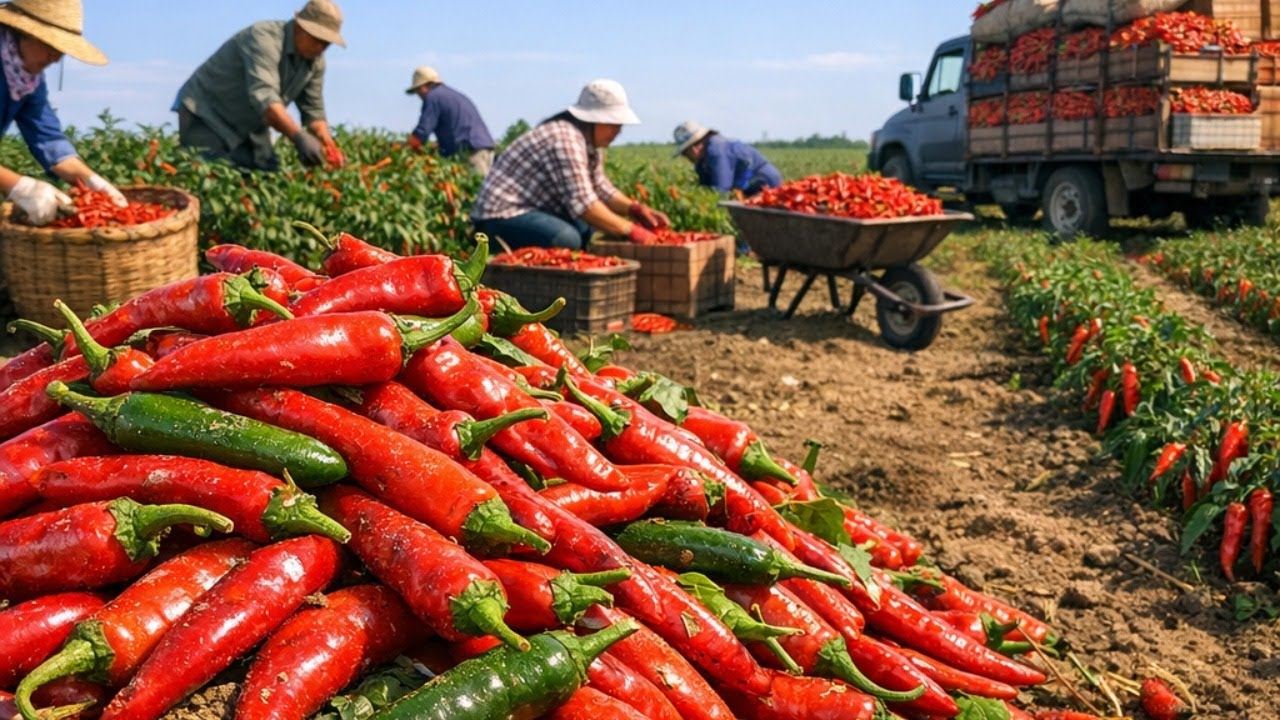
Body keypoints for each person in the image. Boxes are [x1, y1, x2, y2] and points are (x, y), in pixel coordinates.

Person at [472, 79, 669, 250]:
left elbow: (601, 187)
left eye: (619, 125)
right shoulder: (565, 138)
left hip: (531, 211)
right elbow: (583, 205)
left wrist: (635, 209)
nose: (617, 132)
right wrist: (630, 230)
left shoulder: (588, 143)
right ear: (593, 120)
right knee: (567, 239)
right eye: (612, 124)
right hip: (499, 217)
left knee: (586, 229)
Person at [173, 0, 346, 172]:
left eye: (326, 43)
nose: (321, 48)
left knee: (266, 175)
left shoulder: (315, 62)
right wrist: (298, 137)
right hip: (207, 114)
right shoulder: (264, 38)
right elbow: (265, 97)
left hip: (249, 123)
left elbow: (314, 111)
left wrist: (328, 145)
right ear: (301, 27)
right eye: (317, 39)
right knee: (210, 174)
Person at [0, 0, 126, 226]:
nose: (56, 57)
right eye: (51, 45)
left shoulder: (28, 81)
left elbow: (48, 140)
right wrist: (19, 186)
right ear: (23, 32)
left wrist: (90, 180)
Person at [405, 66, 495, 176]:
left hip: (471, 151)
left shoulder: (433, 97)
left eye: (418, 90)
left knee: (476, 185)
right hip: (482, 147)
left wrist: (405, 149)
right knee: (482, 184)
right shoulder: (450, 95)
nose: (418, 95)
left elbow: (423, 131)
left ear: (425, 86)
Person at [672, 120, 782, 196]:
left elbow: (721, 190)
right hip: (745, 187)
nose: (685, 157)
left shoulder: (717, 151)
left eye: (685, 153)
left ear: (694, 148)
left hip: (764, 182)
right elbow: (706, 187)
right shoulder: (701, 162)